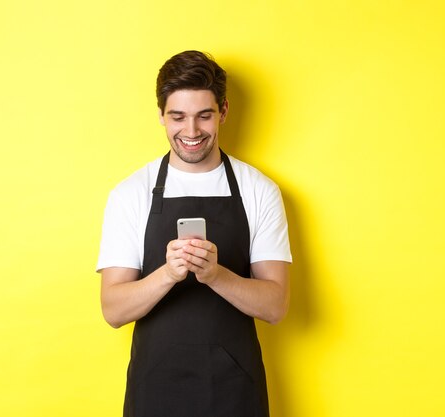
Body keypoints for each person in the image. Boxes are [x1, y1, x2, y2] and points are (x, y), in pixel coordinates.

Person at [97, 50, 292, 417]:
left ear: (223, 112)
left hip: (236, 391)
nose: (191, 131)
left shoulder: (258, 190)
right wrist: (169, 274)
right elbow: (114, 310)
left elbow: (276, 306)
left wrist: (214, 274)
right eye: (178, 117)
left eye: (204, 115)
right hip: (155, 390)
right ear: (160, 116)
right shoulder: (131, 193)